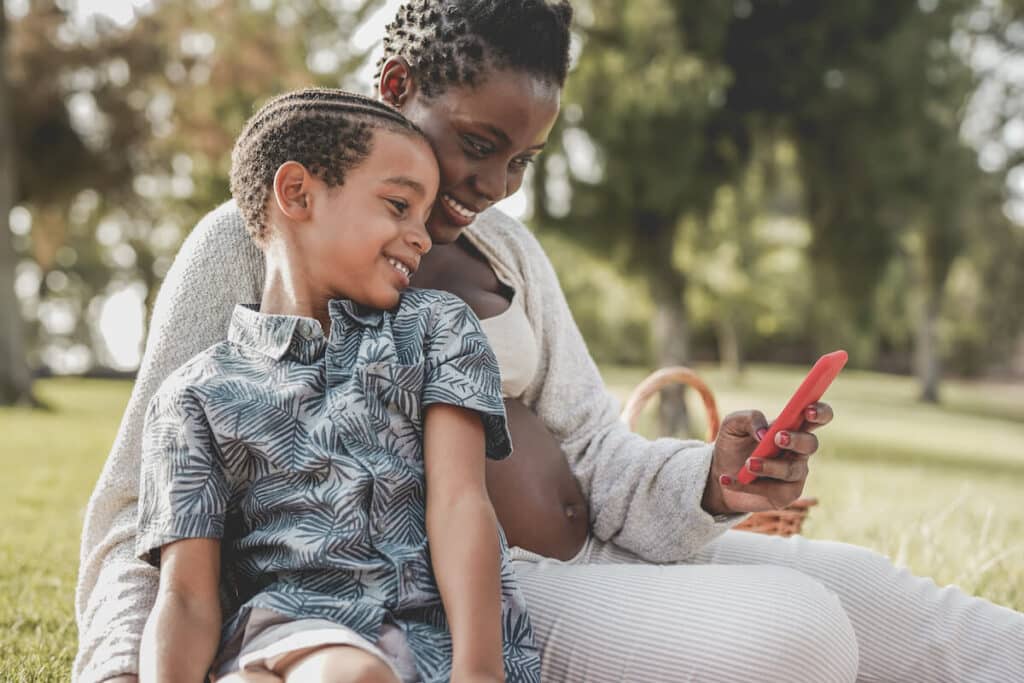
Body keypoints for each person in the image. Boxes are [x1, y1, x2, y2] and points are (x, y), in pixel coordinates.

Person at [76, 2, 1024, 682]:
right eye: (479, 143)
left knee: (884, 596)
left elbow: (598, 454)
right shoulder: (248, 244)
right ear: (398, 87)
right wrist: (120, 668)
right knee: (801, 634)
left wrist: (710, 482)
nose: (497, 184)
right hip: (486, 592)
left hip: (607, 553)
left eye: (524, 160)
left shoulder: (509, 253)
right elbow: (139, 507)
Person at [136, 88, 539, 683]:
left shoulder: (437, 329)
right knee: (346, 676)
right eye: (399, 205)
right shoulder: (194, 394)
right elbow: (187, 596)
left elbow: (460, 504)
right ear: (297, 193)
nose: (422, 237)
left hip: (436, 642)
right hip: (292, 633)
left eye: (423, 218)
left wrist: (479, 672)